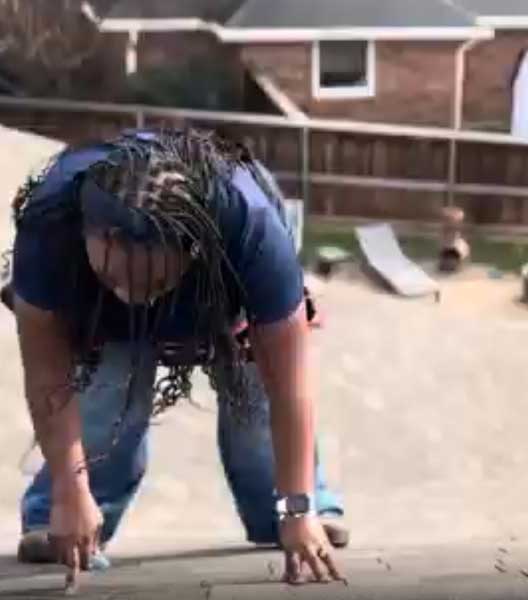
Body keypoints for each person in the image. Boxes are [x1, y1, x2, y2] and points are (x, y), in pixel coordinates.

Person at [7, 128, 347, 588]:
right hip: (96, 310)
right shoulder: (49, 227)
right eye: (114, 277)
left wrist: (297, 510)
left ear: (192, 249)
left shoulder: (253, 229)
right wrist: (70, 491)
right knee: (107, 399)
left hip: (223, 291)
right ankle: (64, 516)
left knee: (254, 405)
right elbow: (48, 374)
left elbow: (289, 385)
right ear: (89, 234)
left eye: (154, 283)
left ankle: (296, 510)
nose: (135, 296)